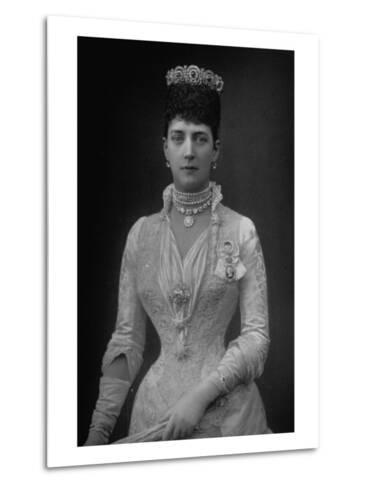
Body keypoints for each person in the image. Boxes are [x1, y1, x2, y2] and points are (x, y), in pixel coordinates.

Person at [84, 64, 271, 445]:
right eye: (178, 137)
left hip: (229, 417)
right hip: (155, 416)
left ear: (216, 149)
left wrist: (200, 396)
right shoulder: (142, 234)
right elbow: (127, 343)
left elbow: (256, 337)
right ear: (164, 147)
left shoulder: (240, 230)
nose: (189, 151)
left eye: (200, 139)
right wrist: (97, 433)